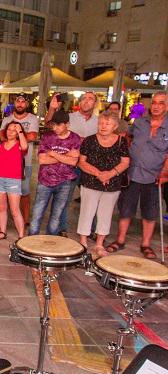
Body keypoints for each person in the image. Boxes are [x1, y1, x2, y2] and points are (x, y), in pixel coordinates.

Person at [107, 91, 168, 259]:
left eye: (161, 103)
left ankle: (146, 244)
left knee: (150, 212)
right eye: (154, 102)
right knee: (126, 208)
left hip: (155, 177)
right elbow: (128, 137)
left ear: (167, 106)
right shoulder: (140, 122)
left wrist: (165, 172)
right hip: (132, 173)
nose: (156, 106)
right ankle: (120, 240)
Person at [77, 111, 130, 257]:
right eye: (101, 123)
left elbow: (125, 162)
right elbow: (81, 162)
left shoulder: (121, 141)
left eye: (107, 124)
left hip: (112, 184)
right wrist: (99, 174)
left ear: (115, 126)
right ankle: (83, 242)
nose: (103, 126)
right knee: (86, 211)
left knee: (105, 214)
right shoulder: (89, 140)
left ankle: (100, 244)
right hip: (90, 181)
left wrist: (110, 174)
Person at [48, 91, 99, 235]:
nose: (86, 101)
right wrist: (52, 109)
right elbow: (51, 126)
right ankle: (61, 228)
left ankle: (91, 229)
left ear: (95, 103)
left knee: (91, 200)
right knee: (64, 198)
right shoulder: (69, 117)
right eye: (84, 98)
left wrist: (84, 141)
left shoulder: (98, 121)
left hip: (90, 165)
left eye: (90, 99)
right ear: (79, 102)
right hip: (69, 165)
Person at [29, 110, 80, 236]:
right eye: (53, 125)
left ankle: (51, 240)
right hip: (45, 181)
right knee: (37, 212)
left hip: (65, 182)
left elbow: (74, 162)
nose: (55, 128)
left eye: (59, 125)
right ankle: (31, 239)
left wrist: (53, 153)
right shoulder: (47, 136)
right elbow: (42, 160)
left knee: (57, 214)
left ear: (67, 124)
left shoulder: (75, 138)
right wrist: (67, 155)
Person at [0, 93, 40, 226]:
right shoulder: (7, 119)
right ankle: (1, 216)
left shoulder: (33, 118)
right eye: (18, 101)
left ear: (27, 104)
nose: (20, 104)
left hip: (25, 162)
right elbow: (1, 135)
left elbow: (33, 136)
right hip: (6, 161)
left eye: (23, 102)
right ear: (14, 103)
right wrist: (21, 138)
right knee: (2, 190)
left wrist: (11, 137)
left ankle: (26, 219)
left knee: (25, 191)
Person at [0, 121, 28, 240]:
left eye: (14, 130)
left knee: (15, 210)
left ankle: (21, 236)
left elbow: (25, 146)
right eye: (9, 129)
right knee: (1, 208)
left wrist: (20, 130)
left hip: (13, 181)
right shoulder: (1, 145)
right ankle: (2, 232)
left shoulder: (20, 145)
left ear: (18, 133)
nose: (11, 132)